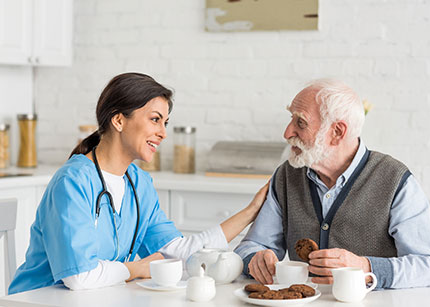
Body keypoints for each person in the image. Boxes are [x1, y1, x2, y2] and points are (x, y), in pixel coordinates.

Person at [8, 73, 268, 294]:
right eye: (155, 119)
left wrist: (250, 212)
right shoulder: (73, 182)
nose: (163, 133)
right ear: (119, 120)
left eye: (165, 123)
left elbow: (178, 251)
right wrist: (135, 269)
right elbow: (79, 277)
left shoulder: (138, 183)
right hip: (36, 299)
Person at [234, 79, 430, 289]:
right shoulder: (287, 176)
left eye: (301, 122)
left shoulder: (395, 180)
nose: (287, 133)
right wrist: (255, 259)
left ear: (337, 132)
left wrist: (365, 267)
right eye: (291, 119)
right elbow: (251, 246)